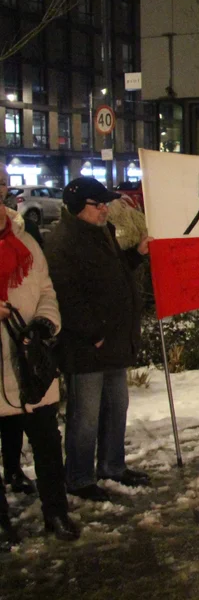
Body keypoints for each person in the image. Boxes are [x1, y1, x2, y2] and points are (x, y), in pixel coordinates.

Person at [45, 178, 152, 502]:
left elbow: (115, 272)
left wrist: (137, 254)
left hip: (111, 342)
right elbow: (67, 295)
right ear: (79, 208)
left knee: (116, 406)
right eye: (98, 204)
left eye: (105, 203)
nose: (106, 209)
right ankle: (78, 477)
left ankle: (112, 465)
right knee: (86, 415)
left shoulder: (100, 232)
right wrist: (94, 334)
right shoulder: (63, 242)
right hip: (87, 347)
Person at [0, 193, 79, 548]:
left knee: (47, 442)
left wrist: (46, 323)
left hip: (31, 364)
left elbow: (45, 289)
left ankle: (56, 512)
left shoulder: (25, 238)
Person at [0, 170, 41, 498]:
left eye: (1, 183)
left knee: (13, 413)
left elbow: (43, 286)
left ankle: (13, 469)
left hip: (14, 339)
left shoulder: (21, 235)